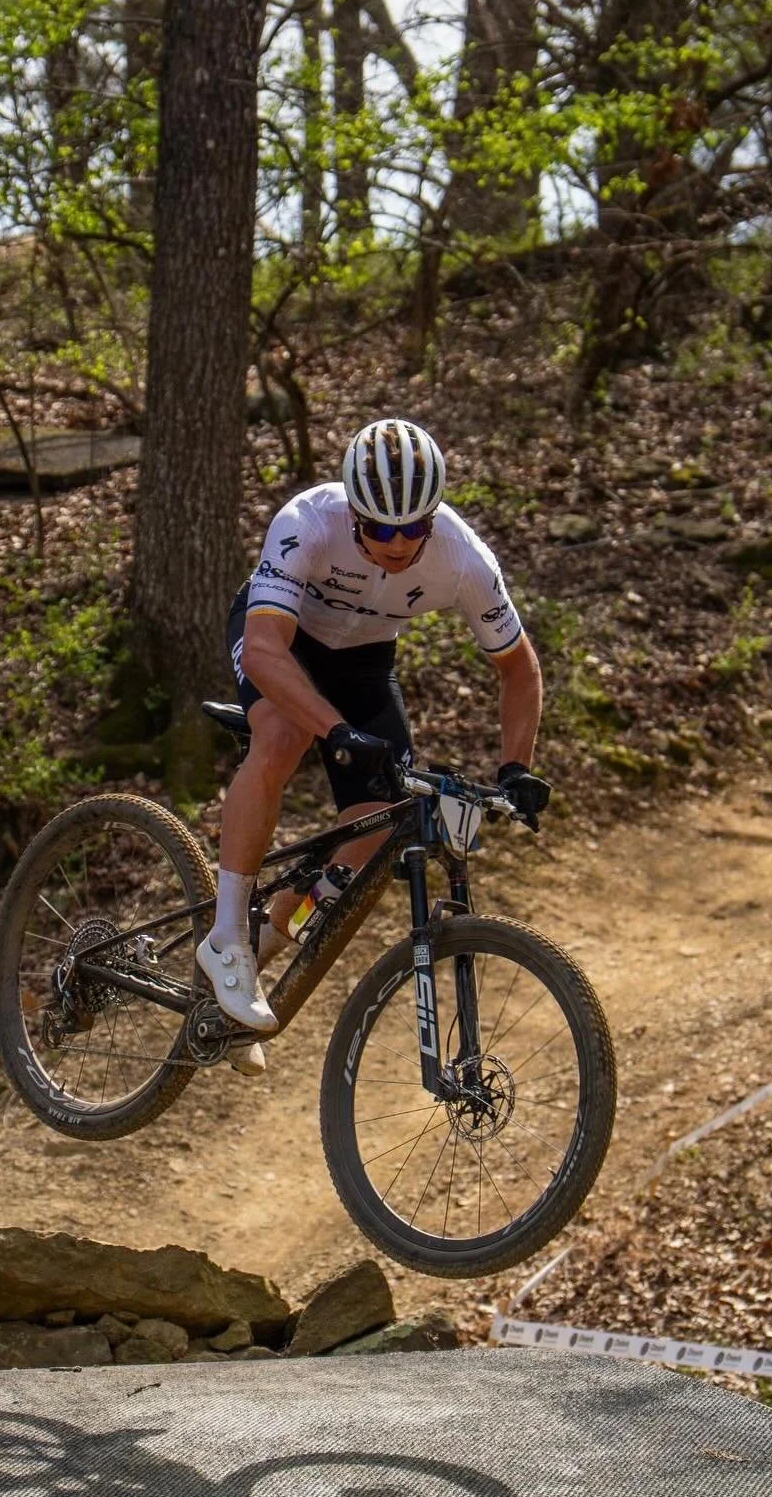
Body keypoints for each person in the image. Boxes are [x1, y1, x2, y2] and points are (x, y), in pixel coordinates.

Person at [196, 417, 551, 1072]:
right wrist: (333, 729)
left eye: (412, 528)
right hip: (284, 639)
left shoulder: (464, 557)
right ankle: (224, 938)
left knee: (374, 831)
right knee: (282, 733)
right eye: (380, 527)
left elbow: (518, 668)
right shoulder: (310, 520)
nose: (396, 542)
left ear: (432, 518)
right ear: (354, 512)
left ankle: (266, 945)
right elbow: (269, 649)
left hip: (363, 664)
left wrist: (516, 768)